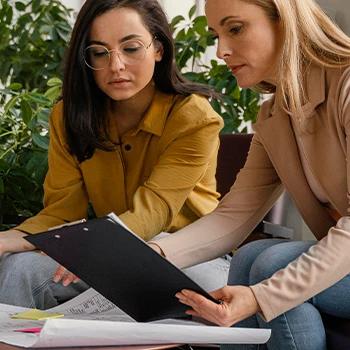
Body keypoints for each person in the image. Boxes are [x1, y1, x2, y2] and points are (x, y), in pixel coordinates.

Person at [0, 0, 231, 309]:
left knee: (182, 276)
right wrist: (10, 240)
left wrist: (91, 252)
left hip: (187, 255)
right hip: (104, 254)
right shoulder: (68, 117)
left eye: (131, 48)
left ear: (158, 49)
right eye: (99, 52)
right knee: (17, 269)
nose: (116, 66)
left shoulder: (194, 118)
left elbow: (154, 211)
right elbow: (61, 213)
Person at [149, 0, 350, 349]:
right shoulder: (276, 114)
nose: (221, 51)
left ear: (284, 21)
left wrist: (262, 297)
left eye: (235, 29)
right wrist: (152, 253)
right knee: (248, 257)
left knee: (271, 264)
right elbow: (234, 216)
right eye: (216, 35)